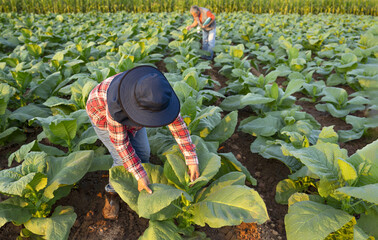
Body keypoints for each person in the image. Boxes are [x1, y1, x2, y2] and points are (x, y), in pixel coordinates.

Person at [86, 65, 200, 220]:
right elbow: (121, 144)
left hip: (134, 113)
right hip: (102, 116)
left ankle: (141, 187)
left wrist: (191, 158)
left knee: (143, 153)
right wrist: (139, 173)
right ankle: (112, 192)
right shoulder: (116, 105)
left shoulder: (159, 96)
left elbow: (178, 125)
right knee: (121, 161)